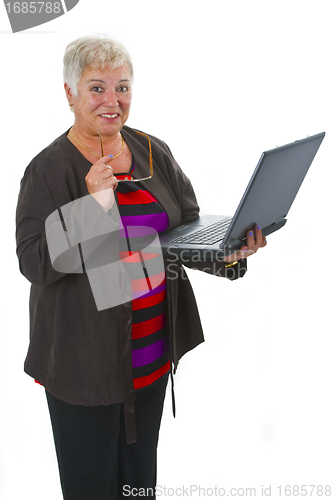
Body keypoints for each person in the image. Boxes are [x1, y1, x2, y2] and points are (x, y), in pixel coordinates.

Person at [16, 35, 267, 500]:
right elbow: (33, 261)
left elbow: (186, 230)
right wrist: (93, 204)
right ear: (69, 94)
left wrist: (230, 253)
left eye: (122, 86)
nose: (112, 101)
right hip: (84, 368)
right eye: (96, 88)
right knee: (93, 490)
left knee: (138, 489)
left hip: (151, 358)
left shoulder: (152, 150)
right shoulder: (50, 169)